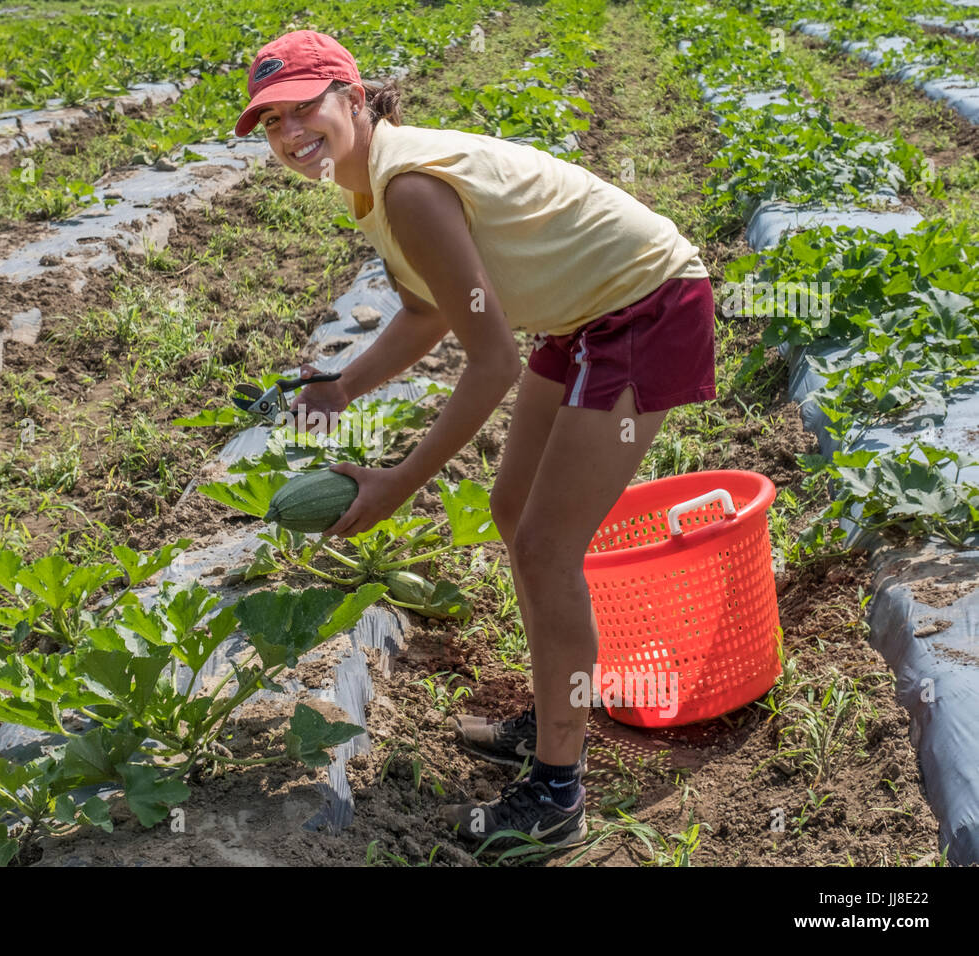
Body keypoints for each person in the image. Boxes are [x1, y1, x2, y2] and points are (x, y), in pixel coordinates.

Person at [233, 30, 716, 851]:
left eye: (303, 108)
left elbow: (492, 359)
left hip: (646, 307)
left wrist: (399, 481)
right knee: (513, 505)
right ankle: (560, 712)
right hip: (586, 314)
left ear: (353, 98)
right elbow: (429, 312)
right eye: (271, 122)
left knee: (543, 547)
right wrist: (345, 384)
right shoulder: (376, 185)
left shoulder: (409, 188)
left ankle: (557, 796)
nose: (288, 135)